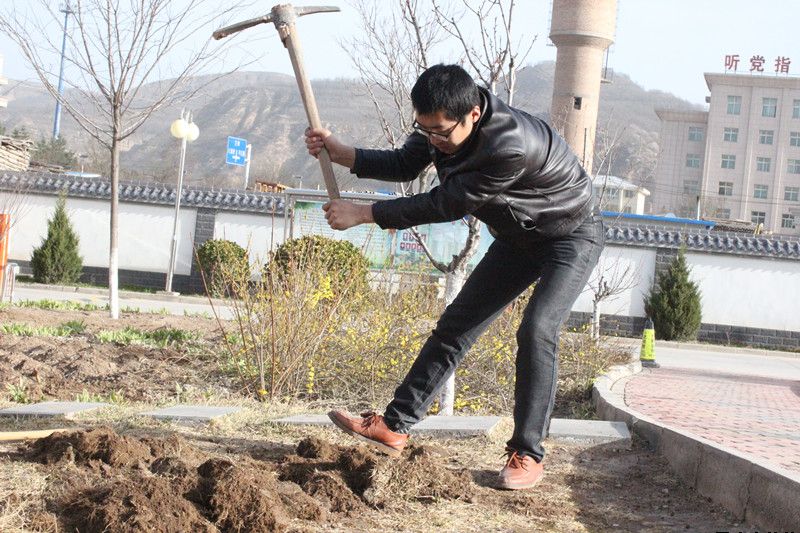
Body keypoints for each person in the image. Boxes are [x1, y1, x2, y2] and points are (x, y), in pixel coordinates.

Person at [304, 64, 604, 490]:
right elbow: (406, 163)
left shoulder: (510, 146)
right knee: (455, 326)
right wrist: (341, 153)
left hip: (570, 234)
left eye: (441, 132)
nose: (433, 140)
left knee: (537, 329)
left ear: (473, 115)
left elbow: (446, 204)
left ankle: (528, 452)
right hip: (518, 236)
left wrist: (364, 213)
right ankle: (394, 425)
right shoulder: (440, 121)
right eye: (424, 129)